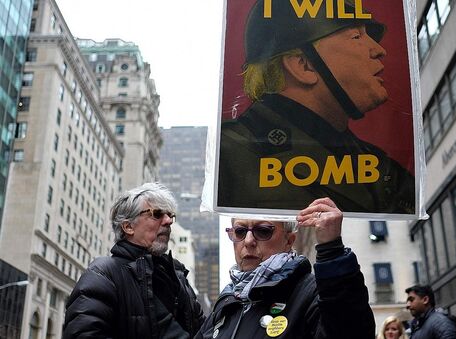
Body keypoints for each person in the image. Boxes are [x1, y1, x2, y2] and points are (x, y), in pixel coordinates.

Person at [217, 0, 415, 214]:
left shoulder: (383, 167)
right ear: (304, 66)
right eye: (356, 36)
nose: (379, 50)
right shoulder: (229, 153)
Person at [195, 197, 374, 338]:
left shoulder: (312, 292)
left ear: (289, 240)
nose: (248, 241)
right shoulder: (228, 301)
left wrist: (331, 249)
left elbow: (351, 332)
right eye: (240, 231)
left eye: (263, 231)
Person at [63, 183, 204, 338]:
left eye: (170, 215)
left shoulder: (178, 277)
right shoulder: (103, 274)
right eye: (156, 214)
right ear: (128, 226)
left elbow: (204, 331)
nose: (168, 221)